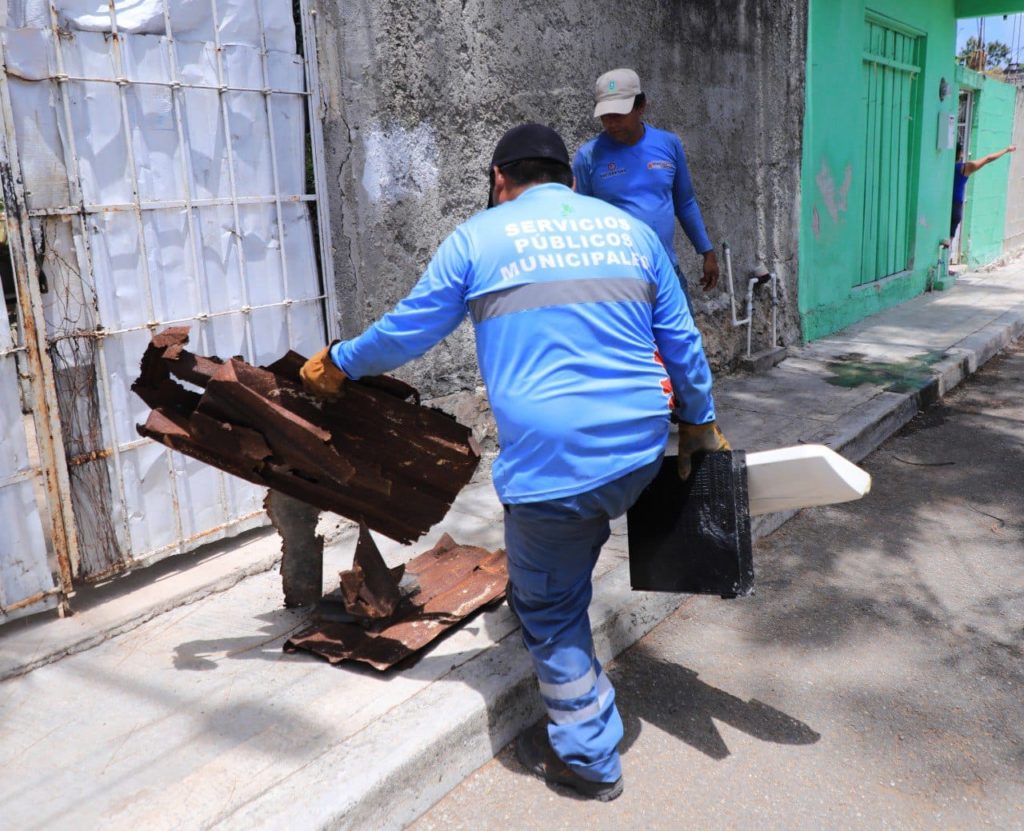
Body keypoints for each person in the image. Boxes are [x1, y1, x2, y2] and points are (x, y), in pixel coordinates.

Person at [300, 123, 728, 802]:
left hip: (558, 464)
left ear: (500, 178)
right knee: (570, 546)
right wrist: (701, 422)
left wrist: (340, 361)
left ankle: (588, 755)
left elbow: (410, 328)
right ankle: (575, 617)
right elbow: (680, 337)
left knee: (547, 604)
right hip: (641, 447)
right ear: (567, 177)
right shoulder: (630, 231)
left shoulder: (478, 237)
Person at [572, 68, 719, 310]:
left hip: (665, 269)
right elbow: (580, 221)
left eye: (618, 114)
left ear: (641, 106)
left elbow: (685, 202)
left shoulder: (668, 145)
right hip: (617, 278)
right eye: (605, 115)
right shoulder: (588, 156)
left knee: (681, 343)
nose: (610, 123)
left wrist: (706, 251)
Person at [950, 142, 1016, 239]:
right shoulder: (964, 168)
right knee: (948, 240)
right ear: (960, 153)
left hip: (943, 204)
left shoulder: (943, 166)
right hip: (955, 207)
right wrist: (1006, 150)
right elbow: (988, 159)